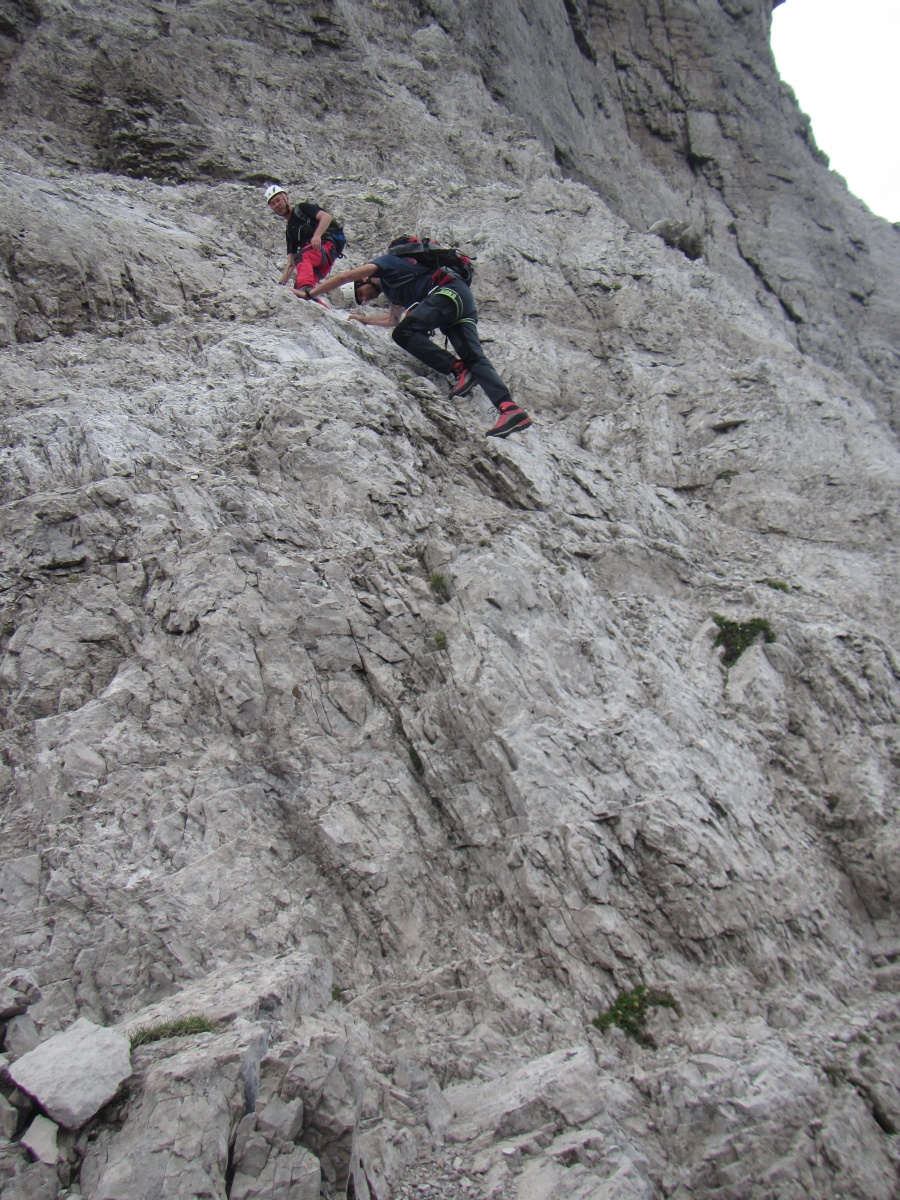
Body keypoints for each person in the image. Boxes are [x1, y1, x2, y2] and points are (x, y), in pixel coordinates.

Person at [307, 242, 532, 439]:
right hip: (460, 301)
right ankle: (509, 408)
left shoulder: (388, 264)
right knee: (474, 356)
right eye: (361, 300)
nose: (365, 298)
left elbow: (344, 276)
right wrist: (364, 320)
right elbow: (393, 320)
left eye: (361, 293)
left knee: (404, 335)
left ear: (364, 280)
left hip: (446, 294)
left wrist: (310, 294)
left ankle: (457, 369)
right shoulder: (393, 291)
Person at [264, 185, 345, 300]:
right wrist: (280, 286)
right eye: (273, 204)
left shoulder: (302, 209)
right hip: (322, 260)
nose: (277, 205)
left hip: (327, 246)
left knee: (302, 258)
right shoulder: (289, 232)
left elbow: (326, 217)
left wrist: (317, 235)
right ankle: (319, 307)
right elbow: (291, 263)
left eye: (278, 200)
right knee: (298, 291)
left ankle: (305, 289)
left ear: (287, 198)